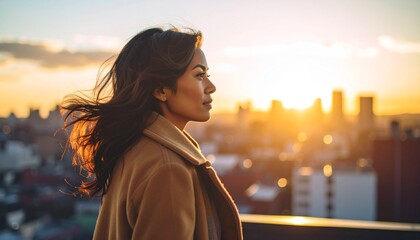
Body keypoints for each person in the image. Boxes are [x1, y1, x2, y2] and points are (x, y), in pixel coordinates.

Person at [61, 27, 243, 239]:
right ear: (161, 90)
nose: (211, 87)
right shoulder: (169, 169)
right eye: (199, 75)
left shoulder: (132, 148)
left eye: (207, 75)